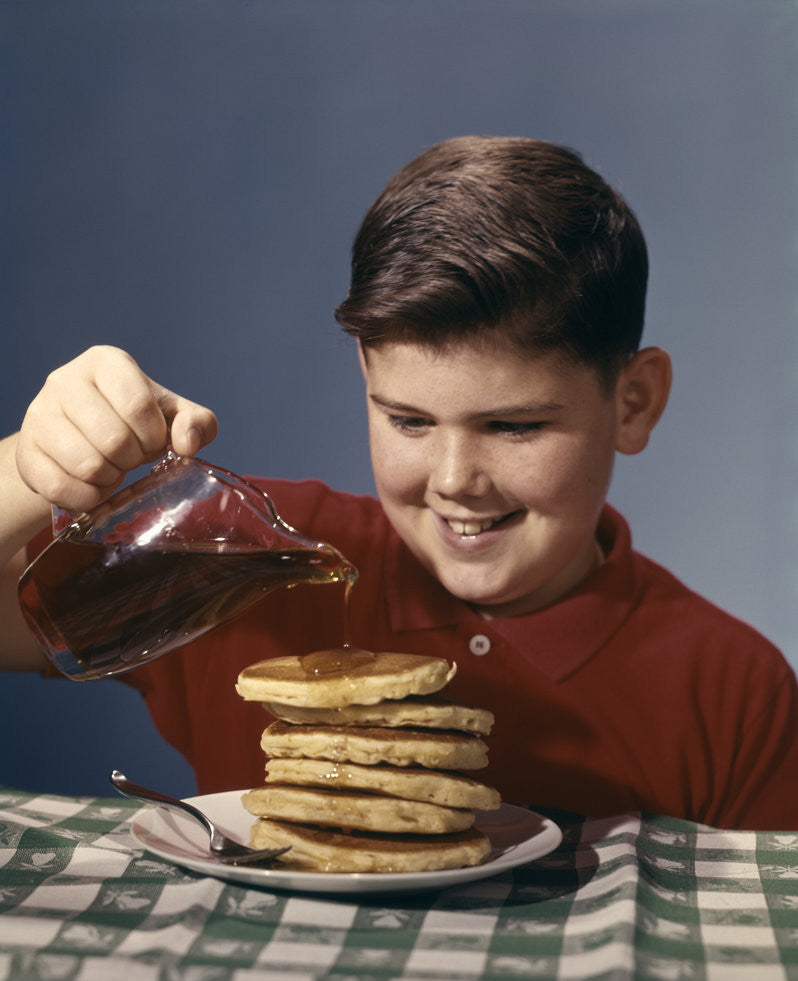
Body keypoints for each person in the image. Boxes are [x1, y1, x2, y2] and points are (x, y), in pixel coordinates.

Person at [1, 136, 796, 829]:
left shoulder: (733, 691)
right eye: (409, 422)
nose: (455, 482)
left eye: (513, 427)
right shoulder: (250, 563)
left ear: (634, 402)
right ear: (366, 381)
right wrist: (33, 468)